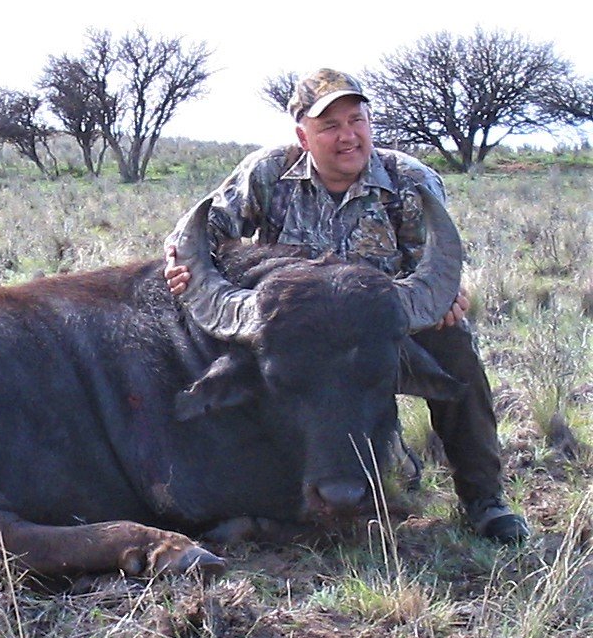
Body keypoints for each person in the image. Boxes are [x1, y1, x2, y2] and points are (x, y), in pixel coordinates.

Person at [163, 68, 529, 544]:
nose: (348, 136)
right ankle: (221, 490)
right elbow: (193, 235)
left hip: (374, 330)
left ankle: (484, 499)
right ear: (303, 135)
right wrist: (180, 266)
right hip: (296, 336)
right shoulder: (267, 173)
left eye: (356, 120)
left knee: (454, 347)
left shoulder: (410, 180)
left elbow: (433, 267)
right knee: (206, 351)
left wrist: (447, 297)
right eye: (329, 126)